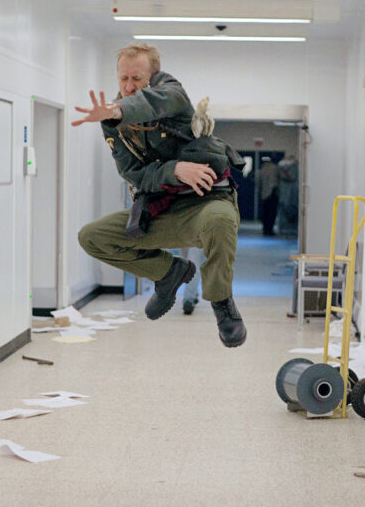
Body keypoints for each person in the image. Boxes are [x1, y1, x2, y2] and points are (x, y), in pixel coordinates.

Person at [73, 43, 247, 347]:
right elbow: (132, 172)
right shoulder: (114, 121)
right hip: (160, 209)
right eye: (123, 79)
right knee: (92, 236)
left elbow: (150, 103)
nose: (128, 87)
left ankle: (222, 303)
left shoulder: (171, 93)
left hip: (206, 202)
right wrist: (175, 170)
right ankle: (168, 273)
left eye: (136, 79)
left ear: (153, 77)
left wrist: (117, 111)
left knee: (220, 222)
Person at [276, 154, 299, 236]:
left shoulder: (280, 166)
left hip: (283, 195)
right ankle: (292, 230)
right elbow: (292, 177)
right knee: (294, 212)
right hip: (294, 194)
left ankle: (282, 230)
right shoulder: (296, 166)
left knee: (283, 212)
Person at [178, 246, 205, 314]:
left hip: (197, 236)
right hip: (182, 237)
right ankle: (193, 293)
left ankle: (189, 300)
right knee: (185, 263)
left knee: (193, 263)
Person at [257, 157, 280, 236]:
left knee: (265, 212)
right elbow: (278, 180)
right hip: (273, 193)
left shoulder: (261, 170)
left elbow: (258, 183)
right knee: (272, 212)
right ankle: (270, 229)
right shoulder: (275, 168)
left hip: (264, 194)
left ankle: (265, 229)